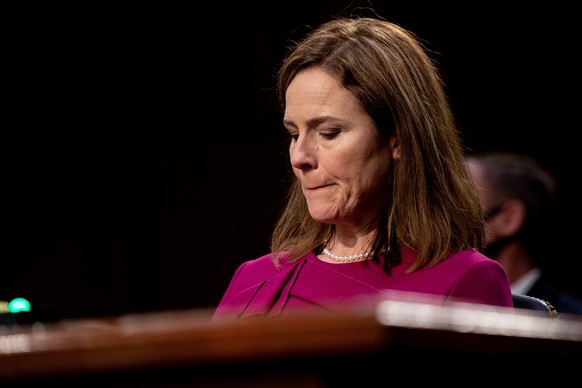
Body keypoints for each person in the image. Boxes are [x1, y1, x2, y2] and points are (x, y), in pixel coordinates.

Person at [212, 16, 513, 320]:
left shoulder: (467, 279)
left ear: (397, 139)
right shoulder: (252, 279)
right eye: (293, 134)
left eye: (328, 133)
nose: (299, 156)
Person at [466, 151, 582, 316]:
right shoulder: (442, 302)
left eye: (463, 202)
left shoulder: (572, 322)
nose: (446, 217)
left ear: (509, 219)